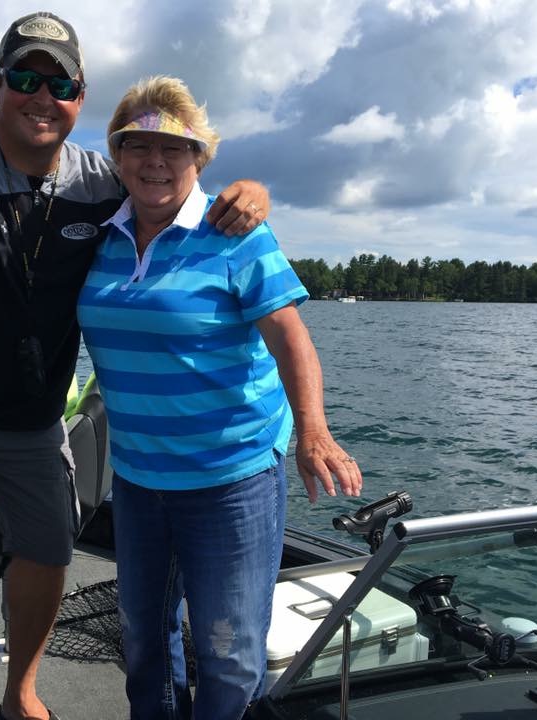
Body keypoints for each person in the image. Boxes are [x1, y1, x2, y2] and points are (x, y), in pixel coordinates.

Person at [0, 11, 271, 720]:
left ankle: (20, 694)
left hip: (32, 417)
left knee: (47, 547)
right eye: (25, 77)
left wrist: (251, 191)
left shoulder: (104, 186)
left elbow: (176, 187)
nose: (42, 95)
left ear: (79, 96)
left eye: (59, 82)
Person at [77, 76, 363, 720]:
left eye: (174, 149)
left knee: (229, 651)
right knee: (145, 639)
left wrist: (313, 431)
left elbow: (292, 339)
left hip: (230, 481)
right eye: (139, 145)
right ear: (116, 156)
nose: (155, 162)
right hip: (139, 480)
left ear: (198, 159)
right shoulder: (97, 231)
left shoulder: (234, 233)